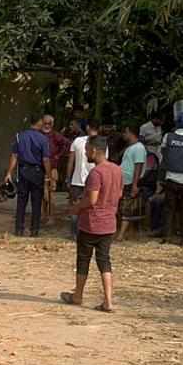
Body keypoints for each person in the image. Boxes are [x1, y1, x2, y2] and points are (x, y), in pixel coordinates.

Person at [61, 134, 123, 313]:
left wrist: (76, 208)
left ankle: (78, 296)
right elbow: (119, 194)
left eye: (87, 150)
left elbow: (92, 200)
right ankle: (108, 301)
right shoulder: (117, 170)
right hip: (109, 223)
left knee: (83, 259)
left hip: (91, 223)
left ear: (94, 151)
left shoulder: (96, 173)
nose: (86, 153)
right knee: (104, 261)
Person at [5, 115, 51, 237]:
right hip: (37, 172)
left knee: (21, 202)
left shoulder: (19, 136)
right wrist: (49, 175)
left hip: (23, 172)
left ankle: (19, 229)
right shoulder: (43, 139)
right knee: (36, 202)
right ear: (39, 122)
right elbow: (46, 159)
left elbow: (14, 156)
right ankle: (34, 230)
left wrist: (9, 172)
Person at [66, 120, 101, 241]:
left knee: (76, 208)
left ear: (87, 127)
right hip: (92, 181)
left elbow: (70, 161)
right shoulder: (102, 143)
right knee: (91, 207)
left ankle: (74, 234)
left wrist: (68, 178)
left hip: (78, 180)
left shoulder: (77, 141)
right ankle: (88, 232)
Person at [118, 123, 147, 238]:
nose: (123, 135)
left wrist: (135, 185)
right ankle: (122, 232)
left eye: (125, 132)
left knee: (127, 207)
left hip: (130, 181)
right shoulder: (130, 147)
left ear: (130, 133)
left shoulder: (139, 148)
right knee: (123, 206)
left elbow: (138, 167)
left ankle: (121, 235)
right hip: (124, 181)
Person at [160, 107, 183, 241]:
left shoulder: (168, 136)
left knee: (169, 209)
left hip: (171, 178)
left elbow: (162, 154)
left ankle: (167, 236)